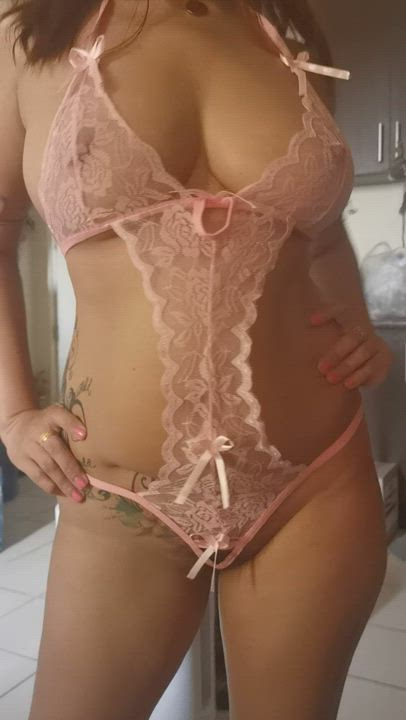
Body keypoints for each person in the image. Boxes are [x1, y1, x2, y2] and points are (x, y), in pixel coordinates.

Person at [0, 1, 393, 718]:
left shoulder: (290, 41)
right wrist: (13, 411)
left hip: (315, 482)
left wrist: (357, 319)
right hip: (119, 492)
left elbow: (322, 231)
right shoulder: (26, 33)